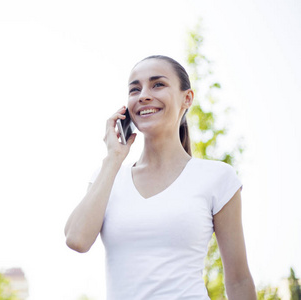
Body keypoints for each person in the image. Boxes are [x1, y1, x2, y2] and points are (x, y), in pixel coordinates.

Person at [64, 55, 256, 299]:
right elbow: (76, 239)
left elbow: (238, 280)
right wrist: (113, 159)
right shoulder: (108, 177)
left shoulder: (217, 177)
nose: (144, 94)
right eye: (135, 89)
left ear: (187, 98)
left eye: (158, 84)